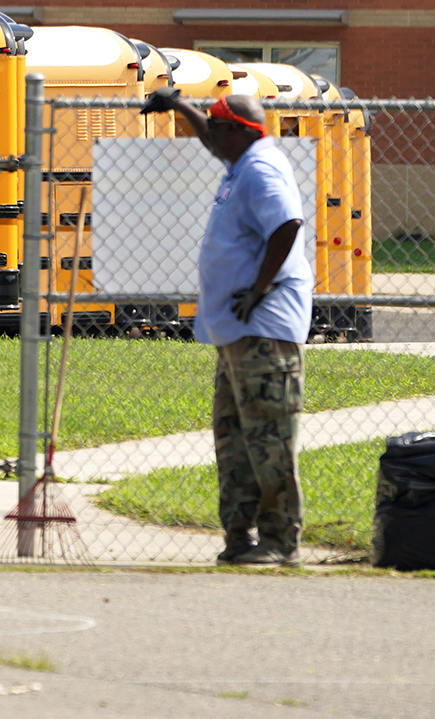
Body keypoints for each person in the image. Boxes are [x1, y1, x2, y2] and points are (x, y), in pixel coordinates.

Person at [142, 86, 309, 567]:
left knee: (269, 439)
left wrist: (259, 286)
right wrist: (178, 106)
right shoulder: (241, 161)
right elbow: (213, 139)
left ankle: (281, 543)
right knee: (234, 439)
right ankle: (241, 539)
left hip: (264, 330)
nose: (209, 137)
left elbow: (287, 225)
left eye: (216, 127)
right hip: (238, 333)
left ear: (239, 130)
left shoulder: (261, 168)